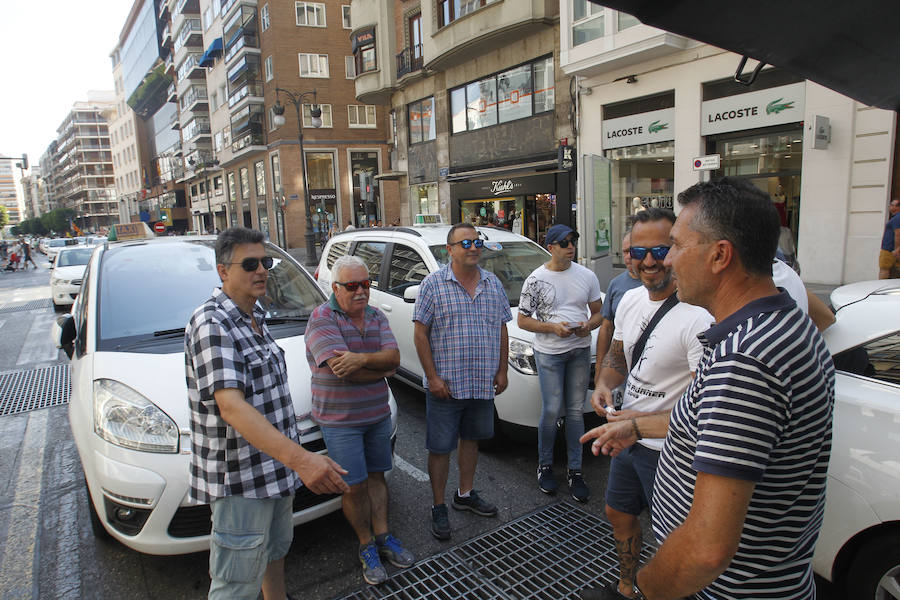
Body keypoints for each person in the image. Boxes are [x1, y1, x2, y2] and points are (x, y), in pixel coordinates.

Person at [581, 177, 835, 600]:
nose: (667, 261)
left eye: (675, 246)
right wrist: (638, 428)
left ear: (720, 255)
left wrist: (641, 593)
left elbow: (707, 549)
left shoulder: (746, 359)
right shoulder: (780, 322)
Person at [184, 227, 349, 600]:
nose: (261, 270)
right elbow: (231, 406)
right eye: (250, 264)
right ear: (223, 271)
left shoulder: (254, 314)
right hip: (241, 481)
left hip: (274, 470)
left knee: (275, 553)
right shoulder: (212, 323)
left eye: (265, 262)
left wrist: (292, 462)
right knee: (235, 583)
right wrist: (304, 461)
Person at [582, 209, 712, 600]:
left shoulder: (700, 316)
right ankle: (627, 586)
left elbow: (705, 407)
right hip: (628, 438)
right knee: (618, 513)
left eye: (660, 249)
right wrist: (604, 384)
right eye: (639, 251)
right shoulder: (631, 300)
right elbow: (618, 356)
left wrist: (642, 423)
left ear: (674, 250)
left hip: (673, 449)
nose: (650, 260)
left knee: (674, 535)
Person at [305, 255, 414, 585]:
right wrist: (380, 370)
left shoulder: (376, 316)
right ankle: (366, 545)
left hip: (377, 414)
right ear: (336, 288)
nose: (360, 292)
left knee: (379, 477)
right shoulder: (321, 319)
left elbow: (394, 359)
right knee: (354, 487)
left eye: (365, 284)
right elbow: (343, 372)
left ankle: (384, 537)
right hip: (341, 420)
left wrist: (365, 360)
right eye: (352, 286)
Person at [413, 222, 511, 540]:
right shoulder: (433, 285)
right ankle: (438, 505)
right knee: (440, 448)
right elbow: (420, 333)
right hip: (446, 385)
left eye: (476, 241)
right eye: (465, 243)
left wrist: (502, 370)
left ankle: (465, 494)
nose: (473, 247)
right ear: (450, 250)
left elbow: (501, 328)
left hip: (481, 382)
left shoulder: (493, 284)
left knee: (471, 440)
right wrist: (432, 377)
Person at [518, 224, 603, 502]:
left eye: (573, 241)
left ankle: (575, 470)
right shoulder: (535, 279)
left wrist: (586, 327)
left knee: (576, 411)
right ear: (551, 246)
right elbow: (522, 320)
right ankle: (545, 466)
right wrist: (553, 328)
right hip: (549, 353)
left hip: (578, 350)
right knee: (553, 409)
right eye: (565, 242)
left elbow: (598, 314)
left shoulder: (586, 275)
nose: (571, 246)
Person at [595, 230, 642, 370]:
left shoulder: (659, 285)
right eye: (625, 252)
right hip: (621, 369)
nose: (628, 257)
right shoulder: (616, 284)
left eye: (632, 251)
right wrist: (599, 367)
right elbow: (606, 327)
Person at [879, 197, 900, 278]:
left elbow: (898, 234)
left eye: (892, 205)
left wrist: (896, 250)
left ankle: (881, 287)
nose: (890, 207)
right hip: (891, 249)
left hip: (889, 249)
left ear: (897, 207)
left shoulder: (897, 218)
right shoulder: (896, 218)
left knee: (884, 268)